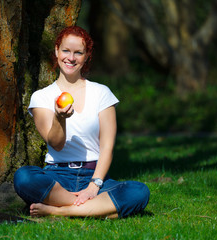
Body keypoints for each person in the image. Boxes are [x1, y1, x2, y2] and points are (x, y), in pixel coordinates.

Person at [13, 26, 150, 218]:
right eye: (66, 51)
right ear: (56, 51)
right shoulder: (41, 97)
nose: (71, 58)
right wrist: (59, 118)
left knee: (139, 191)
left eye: (78, 52)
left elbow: (107, 147)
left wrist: (94, 186)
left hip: (94, 176)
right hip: (56, 177)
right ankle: (97, 209)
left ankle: (59, 211)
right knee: (24, 177)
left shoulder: (102, 93)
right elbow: (56, 144)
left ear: (86, 57)